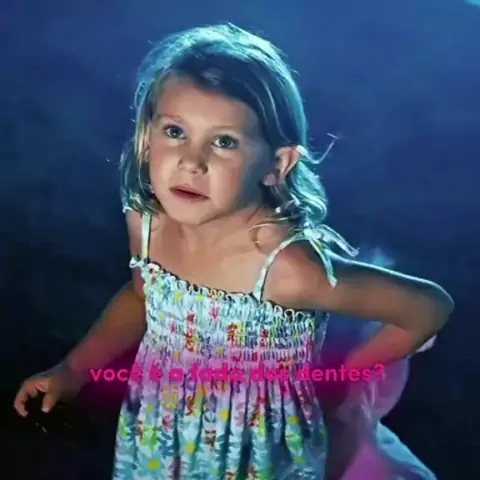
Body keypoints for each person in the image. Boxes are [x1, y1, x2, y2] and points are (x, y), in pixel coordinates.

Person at [14, 23, 453, 479]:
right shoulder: (146, 223)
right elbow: (143, 297)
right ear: (147, 137)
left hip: (254, 454)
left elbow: (428, 309)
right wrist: (74, 370)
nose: (191, 161)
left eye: (224, 142)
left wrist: (339, 380)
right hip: (161, 431)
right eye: (175, 131)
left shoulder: (288, 269)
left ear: (276, 164)